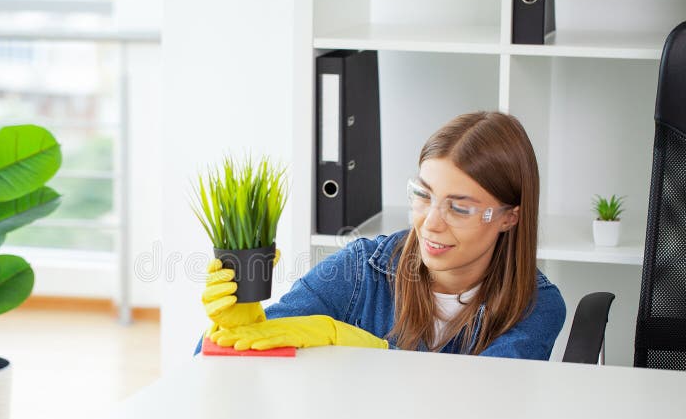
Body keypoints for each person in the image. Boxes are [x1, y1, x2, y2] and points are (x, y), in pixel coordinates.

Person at [198, 111, 566, 359]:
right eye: (423, 195)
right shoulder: (360, 270)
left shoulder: (535, 307)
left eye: (459, 207)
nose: (431, 223)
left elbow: (477, 405)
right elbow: (216, 360)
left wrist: (367, 349)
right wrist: (235, 326)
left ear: (509, 217)